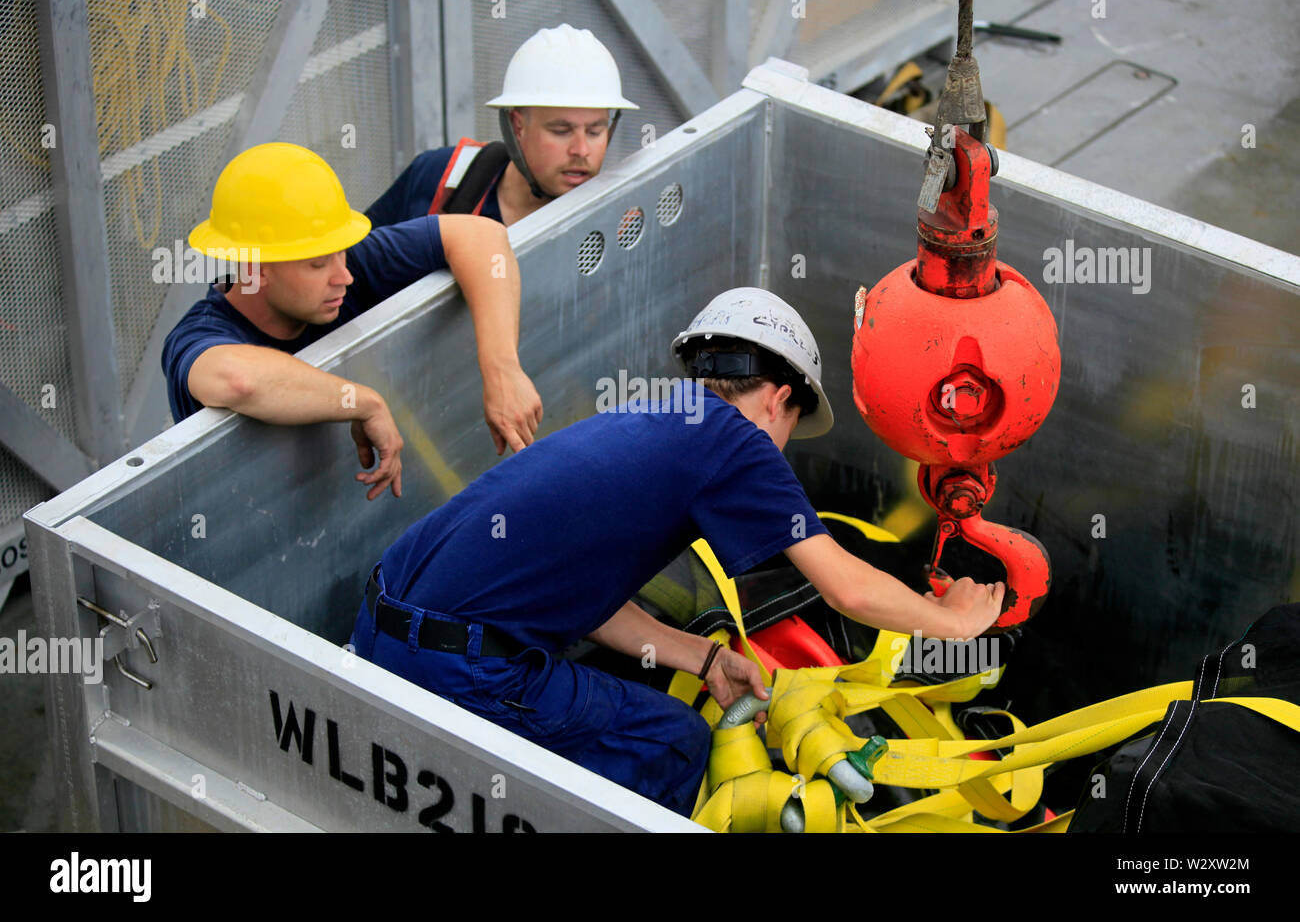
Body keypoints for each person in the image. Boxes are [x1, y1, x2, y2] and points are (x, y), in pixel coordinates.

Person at [348, 288, 1005, 816]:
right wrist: (952, 621)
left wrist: (705, 656)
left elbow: (583, 597)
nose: (780, 452)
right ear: (779, 400)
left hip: (378, 628)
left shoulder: (648, 420)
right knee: (672, 742)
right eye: (791, 434)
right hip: (457, 667)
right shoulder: (736, 441)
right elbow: (848, 590)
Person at [162, 142, 542, 499]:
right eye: (317, 264)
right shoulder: (200, 333)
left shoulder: (350, 266)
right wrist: (362, 401)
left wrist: (502, 369)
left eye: (341, 253)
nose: (343, 275)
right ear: (255, 268)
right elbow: (239, 379)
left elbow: (484, 238)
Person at [365, 24, 637, 228]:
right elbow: (353, 271)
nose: (581, 150)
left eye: (594, 132)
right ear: (518, 126)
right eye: (561, 131)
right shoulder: (440, 177)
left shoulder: (620, 228)